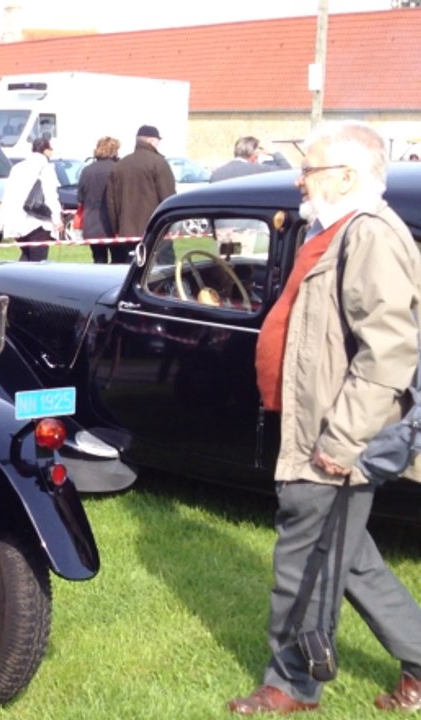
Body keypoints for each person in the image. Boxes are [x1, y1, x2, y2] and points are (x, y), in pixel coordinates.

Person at [229, 121, 421, 715]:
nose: (299, 178)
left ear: (347, 175)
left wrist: (341, 439)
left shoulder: (369, 235)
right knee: (351, 561)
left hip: (332, 436)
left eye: (309, 168)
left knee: (302, 565)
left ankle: (291, 684)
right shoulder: (336, 229)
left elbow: (388, 349)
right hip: (311, 426)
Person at [106, 124, 176, 241]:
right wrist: (170, 225)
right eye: (158, 141)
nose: (159, 145)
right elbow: (168, 198)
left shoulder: (119, 165)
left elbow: (111, 202)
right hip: (154, 232)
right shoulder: (159, 163)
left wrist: (116, 228)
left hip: (126, 233)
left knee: (132, 259)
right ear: (151, 141)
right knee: (161, 259)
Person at [0, 136, 62, 261]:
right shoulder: (46, 167)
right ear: (46, 150)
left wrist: (2, 221)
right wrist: (57, 219)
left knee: (26, 257)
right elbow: (50, 195)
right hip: (37, 222)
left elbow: (8, 194)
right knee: (37, 262)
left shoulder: (17, 167)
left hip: (17, 221)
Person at [76, 136, 122, 263]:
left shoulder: (87, 171)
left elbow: (80, 198)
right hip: (113, 223)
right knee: (119, 260)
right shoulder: (117, 169)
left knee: (98, 260)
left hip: (92, 222)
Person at [210, 136, 293, 182]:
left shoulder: (216, 174)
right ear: (255, 154)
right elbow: (287, 170)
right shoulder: (259, 170)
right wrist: (274, 152)